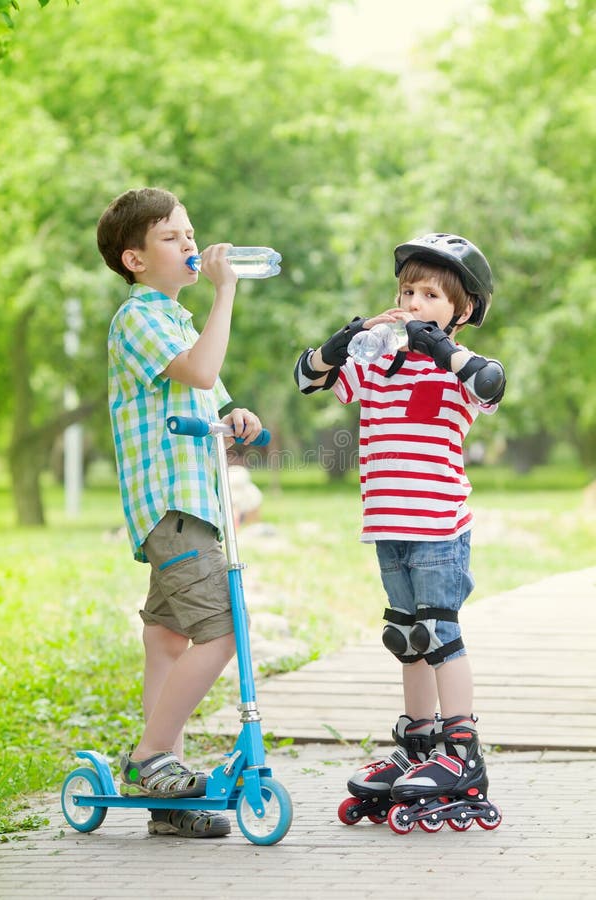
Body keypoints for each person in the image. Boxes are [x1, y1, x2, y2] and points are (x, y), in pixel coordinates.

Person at [294, 233, 505, 820]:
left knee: (438, 632)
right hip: (387, 522)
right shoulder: (380, 362)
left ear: (462, 310)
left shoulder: (458, 370)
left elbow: (491, 383)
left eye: (430, 295)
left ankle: (461, 751)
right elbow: (309, 379)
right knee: (406, 636)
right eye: (407, 291)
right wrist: (347, 340)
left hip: (437, 523)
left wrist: (438, 345)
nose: (412, 303)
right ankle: (418, 745)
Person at [97, 187, 263, 838]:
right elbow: (198, 372)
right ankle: (149, 759)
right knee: (222, 631)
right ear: (135, 259)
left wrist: (234, 416)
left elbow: (209, 393)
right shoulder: (137, 319)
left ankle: (165, 798)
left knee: (167, 637)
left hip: (198, 505)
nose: (192, 247)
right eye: (172, 238)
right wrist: (225, 292)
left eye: (192, 234)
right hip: (172, 508)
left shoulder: (176, 320)